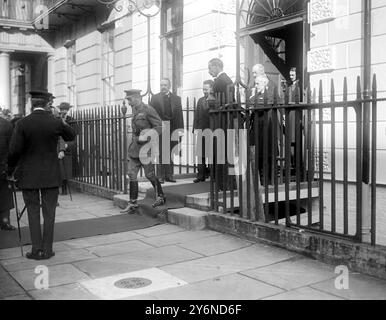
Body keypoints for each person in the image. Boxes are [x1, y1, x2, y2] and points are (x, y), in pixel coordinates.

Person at [7, 90, 77, 260]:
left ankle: (36, 249)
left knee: (32, 212)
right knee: (49, 213)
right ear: (47, 104)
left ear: (32, 104)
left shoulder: (23, 123)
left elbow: (14, 151)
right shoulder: (54, 122)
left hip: (29, 175)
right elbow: (71, 135)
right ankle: (47, 249)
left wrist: (10, 170)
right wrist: (60, 120)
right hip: (51, 175)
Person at [120, 89, 166, 214]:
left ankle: (160, 196)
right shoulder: (135, 110)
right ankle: (133, 203)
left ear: (136, 97)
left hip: (146, 148)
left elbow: (160, 127)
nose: (128, 102)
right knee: (131, 174)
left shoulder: (148, 109)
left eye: (129, 99)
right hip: (135, 148)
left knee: (149, 174)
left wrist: (147, 135)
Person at [208, 58, 235, 191]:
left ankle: (224, 184)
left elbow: (228, 102)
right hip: (222, 120)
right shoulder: (224, 80)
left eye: (210, 68)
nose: (209, 71)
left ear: (217, 66)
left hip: (223, 121)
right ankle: (222, 183)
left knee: (223, 152)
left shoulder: (222, 80)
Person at [249, 64, 278, 185]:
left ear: (262, 71)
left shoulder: (269, 84)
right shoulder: (256, 85)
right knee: (257, 152)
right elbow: (250, 101)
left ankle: (268, 180)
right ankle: (259, 179)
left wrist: (253, 103)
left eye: (255, 73)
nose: (253, 75)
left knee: (266, 152)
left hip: (267, 123)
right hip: (256, 123)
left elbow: (268, 102)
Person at [150, 78, 184, 184]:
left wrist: (180, 130)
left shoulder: (177, 99)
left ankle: (169, 175)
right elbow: (151, 114)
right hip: (160, 127)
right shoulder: (155, 98)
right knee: (160, 152)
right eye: (161, 85)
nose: (163, 87)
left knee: (170, 152)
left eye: (165, 85)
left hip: (172, 127)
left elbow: (179, 116)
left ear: (169, 86)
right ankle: (160, 176)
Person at [193, 80, 214, 183]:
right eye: (203, 89)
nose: (204, 91)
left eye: (206, 89)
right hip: (201, 130)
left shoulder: (215, 100)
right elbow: (196, 115)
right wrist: (195, 128)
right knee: (201, 154)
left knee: (211, 154)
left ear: (211, 88)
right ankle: (201, 175)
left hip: (212, 131)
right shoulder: (200, 100)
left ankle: (212, 175)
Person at [57, 102, 76, 196]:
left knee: (66, 170)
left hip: (67, 148)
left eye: (65, 110)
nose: (63, 112)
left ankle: (64, 188)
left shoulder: (71, 120)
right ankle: (58, 188)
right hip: (57, 148)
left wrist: (67, 145)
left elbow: (74, 136)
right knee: (59, 170)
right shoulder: (56, 120)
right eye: (62, 110)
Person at [0, 115, 15, 231]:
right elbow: (12, 148)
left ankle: (5, 221)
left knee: (5, 193)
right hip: (3, 166)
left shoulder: (7, 124)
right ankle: (5, 221)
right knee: (4, 194)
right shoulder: (6, 124)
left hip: (3, 165)